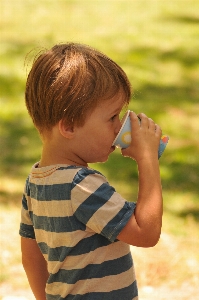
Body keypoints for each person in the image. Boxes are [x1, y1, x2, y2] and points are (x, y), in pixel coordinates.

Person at [19, 43, 163, 300]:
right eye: (112, 118)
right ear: (70, 126)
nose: (119, 127)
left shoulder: (36, 181)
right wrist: (147, 160)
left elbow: (31, 257)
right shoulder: (82, 185)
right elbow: (146, 232)